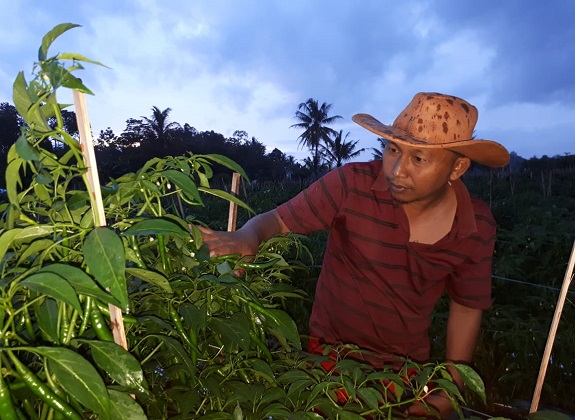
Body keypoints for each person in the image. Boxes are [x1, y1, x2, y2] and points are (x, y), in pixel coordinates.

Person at [199, 92, 510, 418]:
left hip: (404, 369)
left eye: (419, 159)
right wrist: (248, 237)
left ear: (457, 167)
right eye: (393, 150)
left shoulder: (475, 226)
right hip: (329, 359)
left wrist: (453, 383)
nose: (397, 170)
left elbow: (467, 305)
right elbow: (278, 219)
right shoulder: (351, 185)